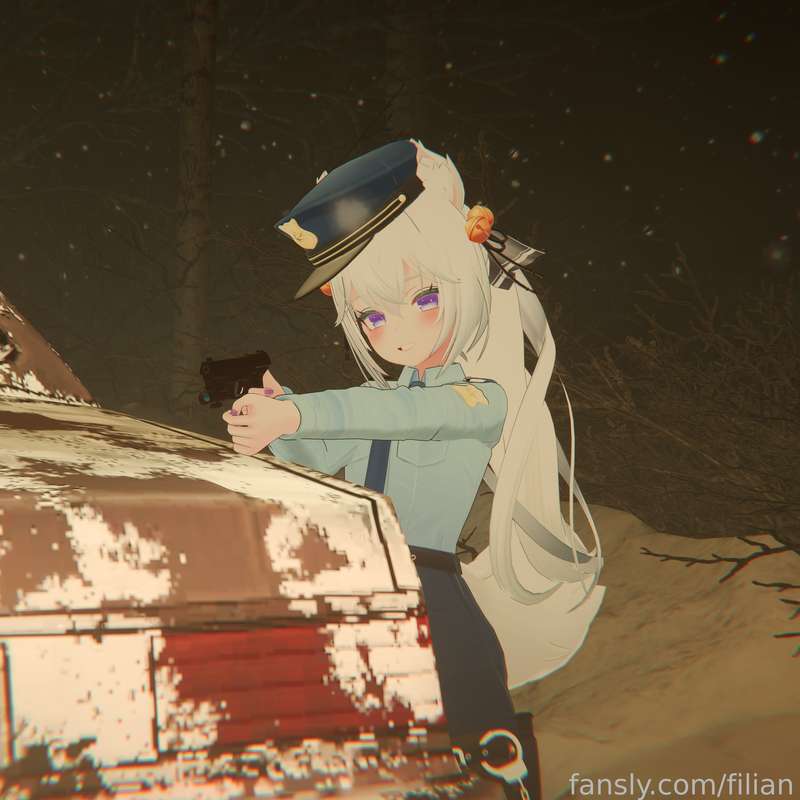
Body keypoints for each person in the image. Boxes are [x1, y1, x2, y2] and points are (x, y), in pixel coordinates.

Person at [222, 139, 605, 800]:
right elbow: (322, 459)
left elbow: (406, 417)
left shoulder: (479, 399)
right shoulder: (378, 402)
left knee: (467, 732)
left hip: (429, 585)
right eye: (372, 315)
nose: (396, 331)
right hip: (365, 590)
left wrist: (302, 415)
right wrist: (278, 422)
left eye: (423, 300)